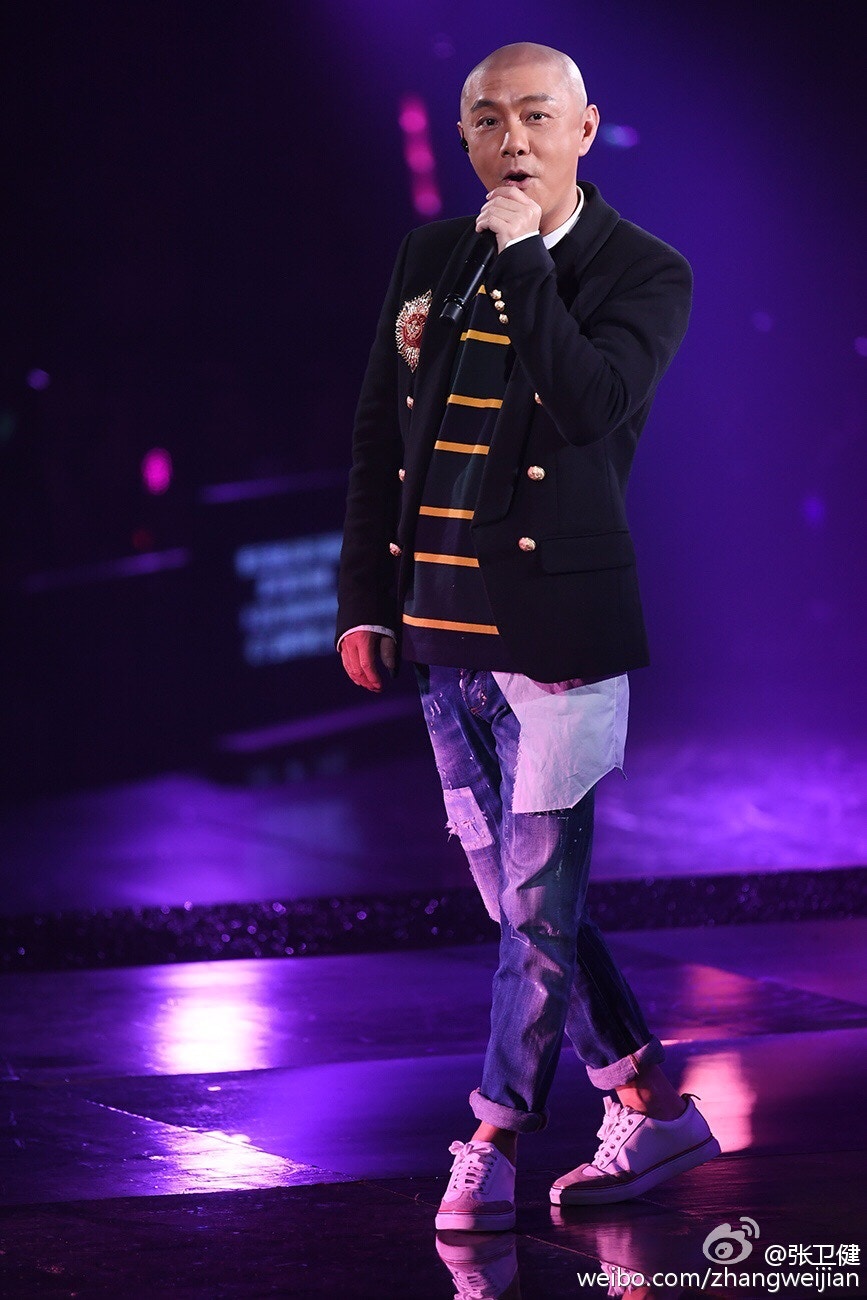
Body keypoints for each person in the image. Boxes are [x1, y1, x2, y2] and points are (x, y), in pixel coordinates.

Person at [336, 41, 720, 1232]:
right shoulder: (427, 257)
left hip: (559, 641)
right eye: (490, 120)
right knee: (521, 909)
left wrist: (520, 260)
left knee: (539, 913)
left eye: (538, 117)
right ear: (464, 136)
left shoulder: (645, 269)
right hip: (442, 640)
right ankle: (655, 1105)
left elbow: (591, 403)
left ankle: (492, 1137)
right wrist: (366, 598)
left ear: (584, 130)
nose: (513, 140)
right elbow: (381, 434)